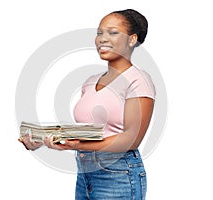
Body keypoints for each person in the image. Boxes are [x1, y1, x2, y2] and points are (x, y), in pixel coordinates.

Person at [20, 9, 155, 200]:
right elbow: (88, 131)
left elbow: (132, 139)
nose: (102, 39)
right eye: (99, 33)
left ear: (132, 39)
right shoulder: (91, 81)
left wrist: (76, 145)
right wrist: (42, 141)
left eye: (113, 32)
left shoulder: (138, 80)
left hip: (119, 175)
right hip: (85, 174)